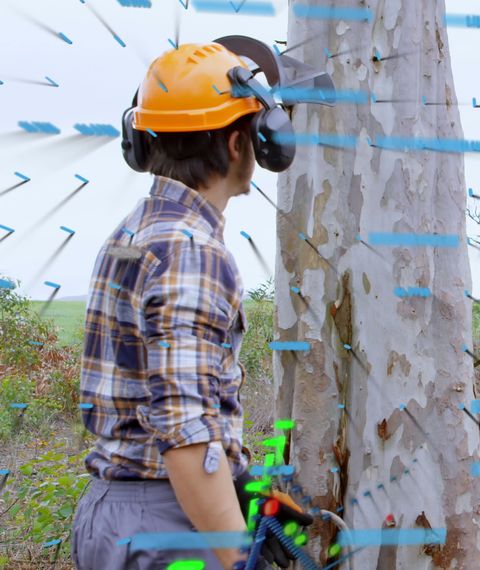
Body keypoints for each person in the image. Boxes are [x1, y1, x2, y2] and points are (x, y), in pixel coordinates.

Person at [72, 42, 311, 570]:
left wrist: (237, 483)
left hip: (115, 513)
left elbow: (150, 392)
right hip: (165, 524)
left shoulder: (133, 232)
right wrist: (238, 554)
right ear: (239, 143)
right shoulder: (193, 252)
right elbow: (185, 435)